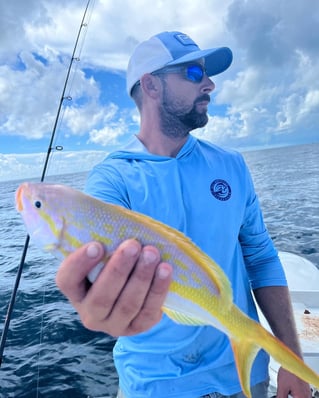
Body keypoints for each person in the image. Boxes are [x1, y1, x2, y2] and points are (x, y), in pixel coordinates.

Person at [56, 31, 311, 398]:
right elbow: (97, 267)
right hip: (153, 387)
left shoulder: (232, 165)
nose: (209, 84)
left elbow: (261, 257)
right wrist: (96, 297)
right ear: (151, 85)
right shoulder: (112, 179)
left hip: (243, 377)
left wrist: (291, 360)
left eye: (207, 73)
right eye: (193, 73)